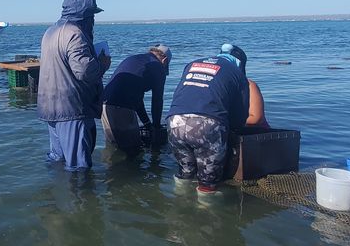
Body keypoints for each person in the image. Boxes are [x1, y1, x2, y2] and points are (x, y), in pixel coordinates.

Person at [38, 0, 110, 171]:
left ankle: (56, 187)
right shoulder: (75, 34)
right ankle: (81, 191)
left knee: (58, 159)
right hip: (71, 108)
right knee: (79, 167)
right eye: (92, 15)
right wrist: (102, 64)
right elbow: (85, 72)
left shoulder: (50, 32)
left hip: (50, 106)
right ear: (85, 15)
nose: (93, 20)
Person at [166, 44, 250, 195]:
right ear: (240, 63)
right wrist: (233, 132)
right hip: (207, 124)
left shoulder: (192, 64)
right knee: (208, 182)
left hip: (174, 121)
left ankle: (179, 200)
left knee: (185, 172)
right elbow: (240, 114)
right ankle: (206, 206)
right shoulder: (237, 73)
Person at [101, 44, 172, 152]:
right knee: (133, 151)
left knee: (114, 149)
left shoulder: (136, 60)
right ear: (165, 60)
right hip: (122, 107)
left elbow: (138, 101)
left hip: (104, 105)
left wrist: (147, 124)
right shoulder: (158, 67)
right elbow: (157, 101)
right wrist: (156, 127)